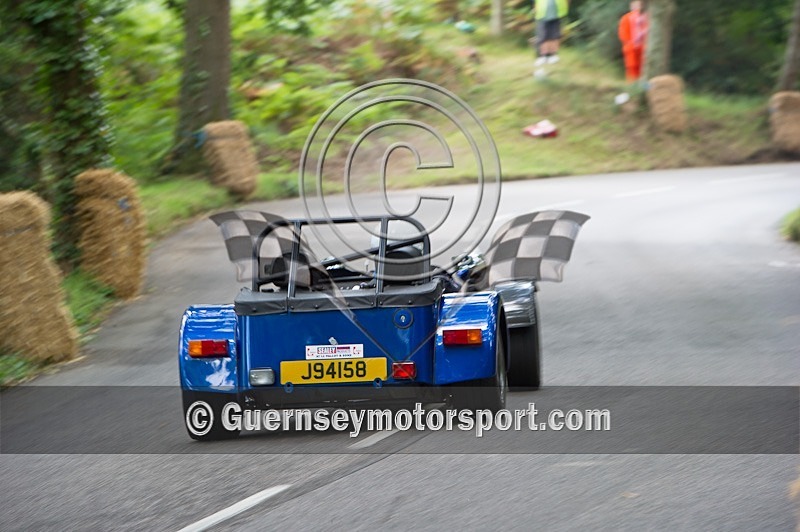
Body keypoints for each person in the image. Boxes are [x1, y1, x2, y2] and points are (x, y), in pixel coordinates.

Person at [618, 0, 648, 82]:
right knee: (631, 66)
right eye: (636, 4)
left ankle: (642, 85)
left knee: (643, 67)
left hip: (643, 47)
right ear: (631, 6)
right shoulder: (626, 18)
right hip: (631, 47)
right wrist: (629, 43)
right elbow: (622, 33)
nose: (638, 6)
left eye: (640, 4)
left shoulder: (646, 17)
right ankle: (632, 85)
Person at [533, 0, 569, 66]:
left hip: (557, 14)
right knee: (543, 36)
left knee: (554, 35)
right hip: (542, 14)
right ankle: (541, 56)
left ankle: (552, 55)